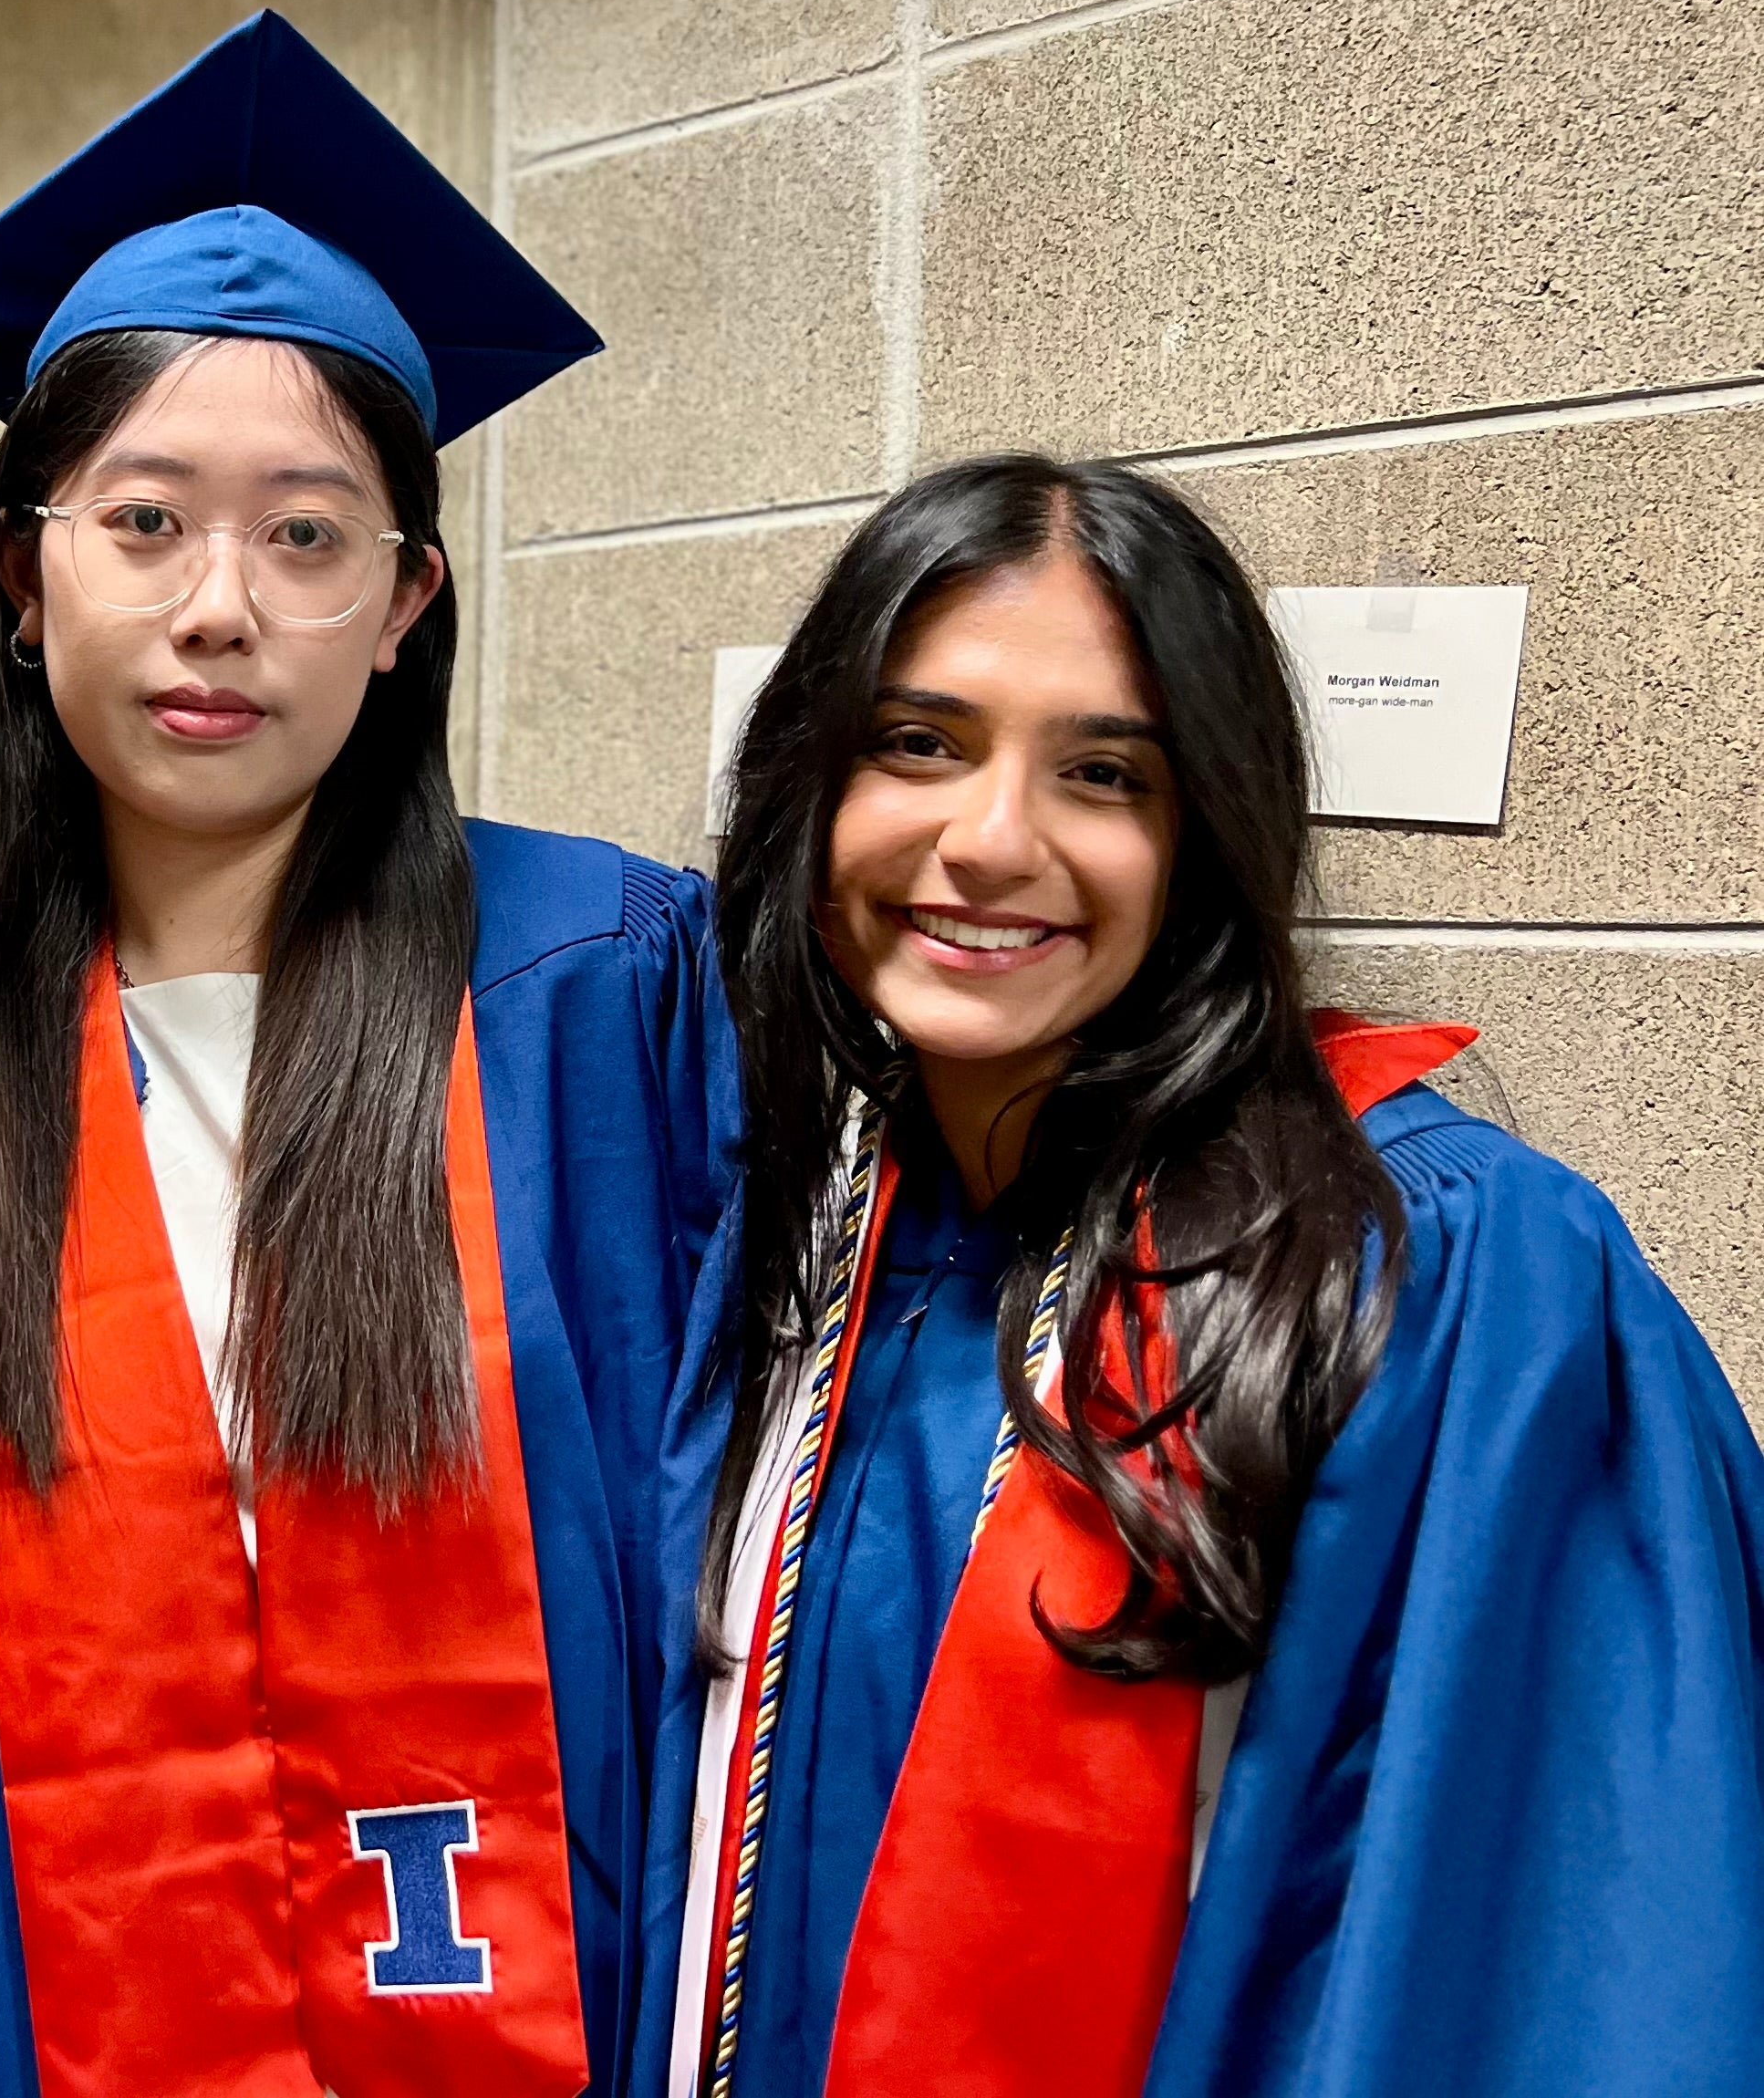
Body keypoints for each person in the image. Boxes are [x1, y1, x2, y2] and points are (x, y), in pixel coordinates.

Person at [0, 11, 738, 2098]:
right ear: (23, 579)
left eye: (307, 536)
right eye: (143, 521)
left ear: (408, 601)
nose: (220, 606)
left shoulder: (603, 987)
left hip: (536, 1983)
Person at [646, 453, 1764, 2098]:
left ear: (1204, 834)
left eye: (1104, 773)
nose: (992, 839)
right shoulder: (804, 1222)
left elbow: (1571, 1971)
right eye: (917, 743)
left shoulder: (1448, 1274)